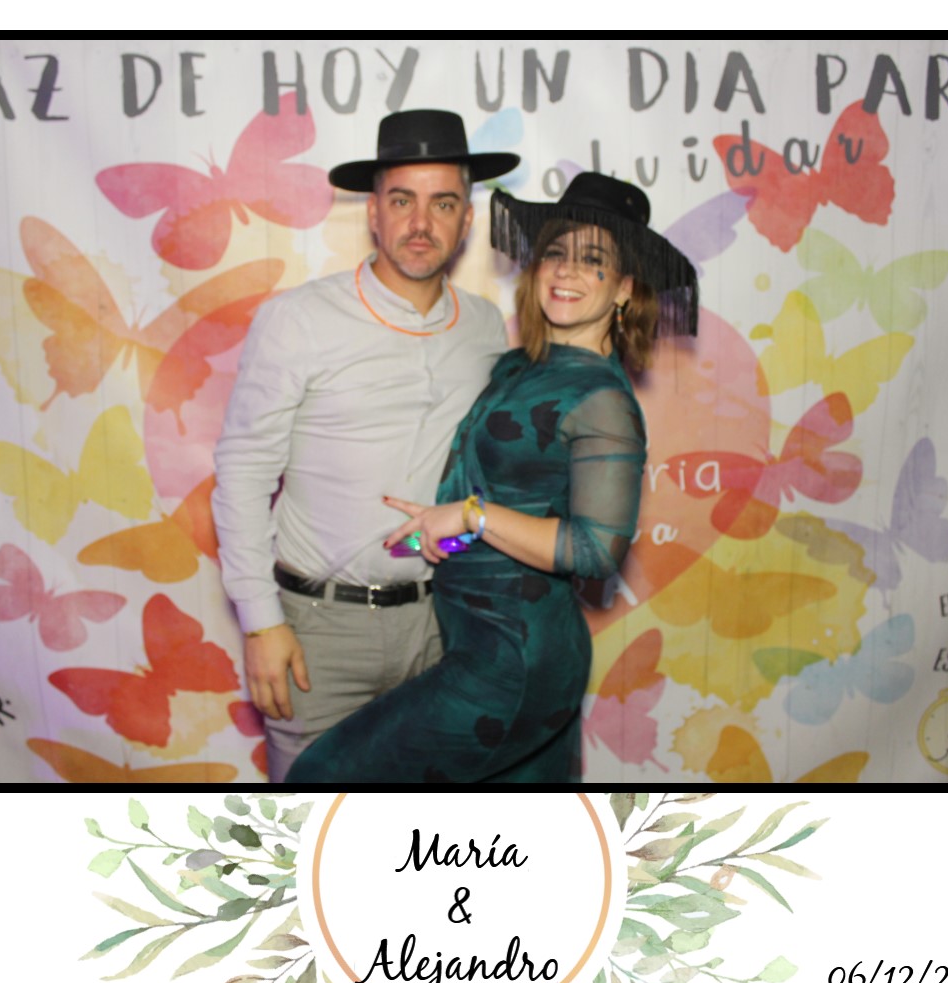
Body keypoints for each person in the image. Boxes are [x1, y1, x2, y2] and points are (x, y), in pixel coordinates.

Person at [290, 173, 698, 785]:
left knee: (321, 780)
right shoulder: (519, 367)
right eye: (555, 253)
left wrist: (470, 515)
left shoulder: (602, 400)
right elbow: (517, 502)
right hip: (475, 638)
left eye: (593, 261)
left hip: (516, 659)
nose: (566, 271)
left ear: (624, 289)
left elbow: (594, 550)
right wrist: (441, 532)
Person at [211, 111, 518, 779]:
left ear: (467, 219)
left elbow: (483, 477)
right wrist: (261, 622)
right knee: (315, 827)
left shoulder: (486, 327)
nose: (421, 222)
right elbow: (242, 473)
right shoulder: (299, 319)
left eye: (443, 204)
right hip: (318, 633)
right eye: (402, 201)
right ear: (374, 213)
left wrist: (457, 552)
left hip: (442, 628)